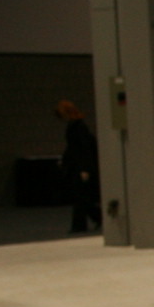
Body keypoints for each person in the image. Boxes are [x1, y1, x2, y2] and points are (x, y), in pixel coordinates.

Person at [55, 100, 101, 234]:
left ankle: (82, 223)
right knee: (81, 196)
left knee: (79, 196)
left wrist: (85, 169)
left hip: (80, 166)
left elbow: (83, 149)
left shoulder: (78, 127)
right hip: (78, 165)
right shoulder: (75, 126)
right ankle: (95, 217)